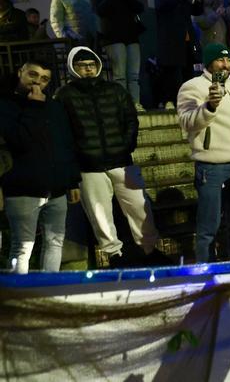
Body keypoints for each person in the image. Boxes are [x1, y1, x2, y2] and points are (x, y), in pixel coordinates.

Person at [55, 47, 164, 268]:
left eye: (91, 64)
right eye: (82, 65)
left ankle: (150, 249)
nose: (88, 69)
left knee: (140, 206)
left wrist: (126, 145)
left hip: (122, 161)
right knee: (99, 214)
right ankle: (114, 255)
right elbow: (62, 134)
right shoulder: (65, 95)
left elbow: (131, 120)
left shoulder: (115, 90)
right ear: (72, 68)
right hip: (88, 166)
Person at [177, 43, 230, 263]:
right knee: (208, 225)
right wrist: (209, 107)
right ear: (208, 62)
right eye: (220, 60)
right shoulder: (192, 87)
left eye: (228, 60)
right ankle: (206, 270)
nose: (225, 64)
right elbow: (186, 121)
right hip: (212, 166)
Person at [0, 59, 81, 273]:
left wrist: (72, 181)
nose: (38, 82)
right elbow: (19, 140)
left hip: (56, 189)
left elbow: (65, 143)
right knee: (22, 248)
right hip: (22, 189)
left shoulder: (53, 106)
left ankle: (49, 294)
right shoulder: (6, 104)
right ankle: (19, 298)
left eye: (44, 79)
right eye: (33, 75)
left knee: (55, 244)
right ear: (20, 72)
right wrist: (34, 106)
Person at [92, 0, 146, 110]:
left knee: (134, 75)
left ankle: (135, 103)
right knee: (119, 75)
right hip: (113, 38)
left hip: (131, 37)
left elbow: (139, 8)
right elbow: (100, 11)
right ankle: (122, 105)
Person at [155, 0, 203, 110]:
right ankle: (169, 100)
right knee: (171, 74)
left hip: (186, 43)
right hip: (170, 44)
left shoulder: (182, 1)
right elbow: (164, 7)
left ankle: (188, 100)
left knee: (188, 72)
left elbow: (197, 11)